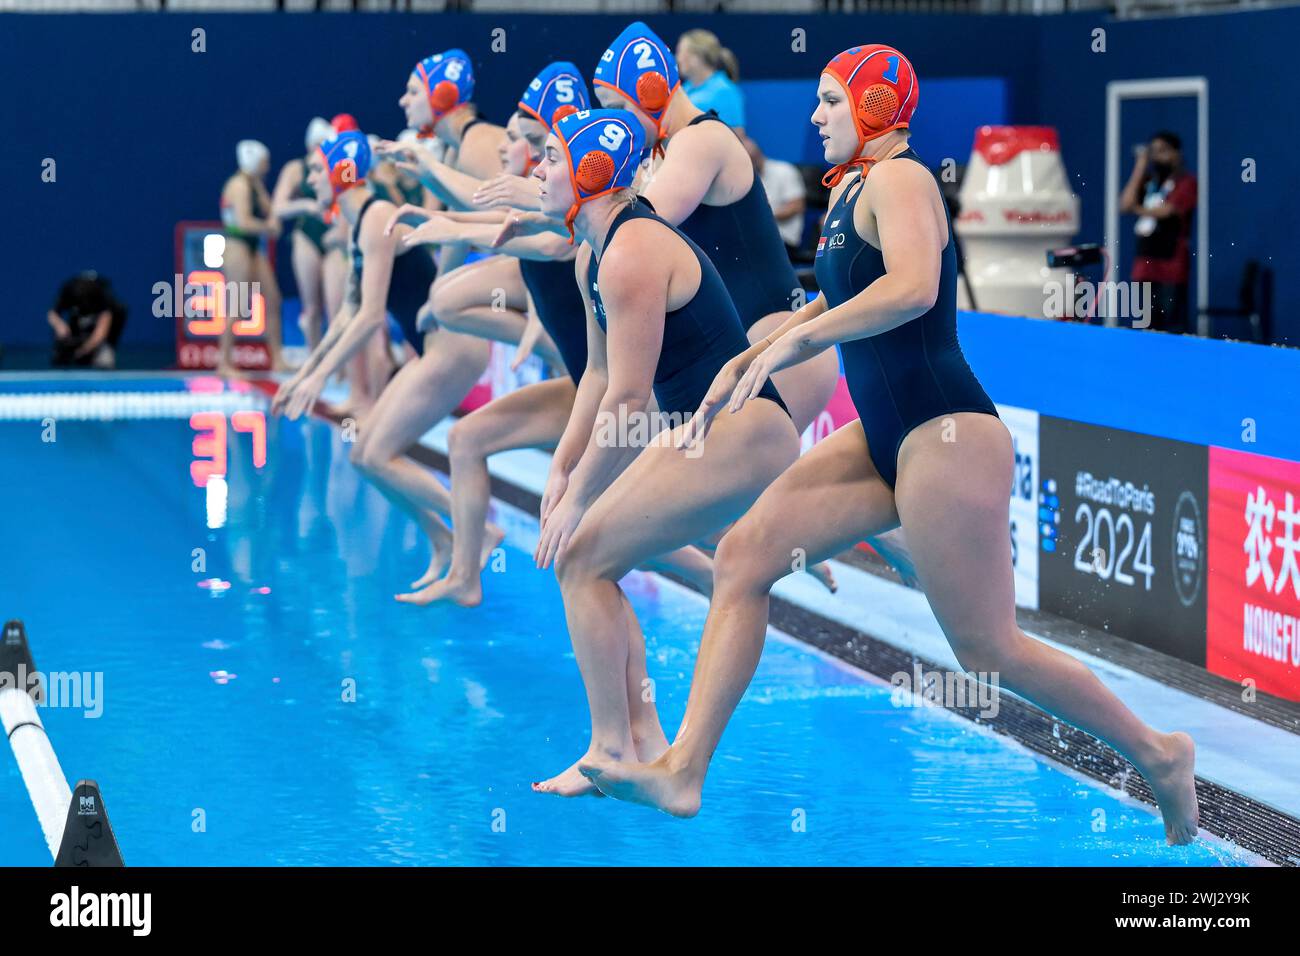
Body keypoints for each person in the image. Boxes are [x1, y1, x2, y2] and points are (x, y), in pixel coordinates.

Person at [579, 46, 1200, 850]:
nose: (815, 117)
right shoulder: (853, 193)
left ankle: (1160, 753)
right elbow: (832, 299)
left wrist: (792, 348)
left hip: (946, 434)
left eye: (832, 101)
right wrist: (749, 355)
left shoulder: (904, 179)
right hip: (882, 437)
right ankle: (683, 768)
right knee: (743, 559)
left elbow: (912, 288)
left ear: (876, 106)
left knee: (986, 649)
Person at [525, 109, 803, 797]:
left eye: (550, 159)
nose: (536, 168)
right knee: (589, 554)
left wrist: (581, 495)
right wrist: (564, 469)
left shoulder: (630, 252)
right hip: (702, 429)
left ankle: (613, 745)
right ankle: (633, 738)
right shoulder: (597, 251)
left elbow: (627, 397)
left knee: (583, 554)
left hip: (741, 429)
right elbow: (598, 381)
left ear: (591, 174)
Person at [271, 130, 502, 590]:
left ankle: (480, 530)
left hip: (455, 346)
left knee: (377, 455)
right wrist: (305, 374)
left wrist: (317, 380)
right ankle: (442, 538)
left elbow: (371, 316)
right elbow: (346, 315)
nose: (310, 179)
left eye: (317, 170)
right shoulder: (360, 222)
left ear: (342, 173)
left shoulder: (377, 215)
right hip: (437, 347)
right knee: (363, 456)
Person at [218, 139, 286, 373]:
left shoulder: (253, 184)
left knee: (273, 299)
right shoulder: (238, 185)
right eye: (265, 162)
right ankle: (224, 362)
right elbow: (244, 222)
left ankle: (277, 359)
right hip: (236, 246)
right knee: (237, 306)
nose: (268, 167)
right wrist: (269, 228)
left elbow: (271, 210)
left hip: (252, 248)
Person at [1120, 130, 1197, 334]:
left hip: (1171, 269)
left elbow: (1166, 211)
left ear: (1176, 154)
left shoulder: (1186, 183)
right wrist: (1140, 166)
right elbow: (1125, 203)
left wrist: (1137, 209)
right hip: (1144, 267)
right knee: (1143, 328)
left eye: (1163, 151)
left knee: (1172, 330)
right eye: (1153, 151)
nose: (1157, 156)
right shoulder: (1148, 182)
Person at [270, 118, 334, 352]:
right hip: (307, 235)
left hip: (334, 236)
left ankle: (340, 366)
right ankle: (313, 357)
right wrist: (307, 205)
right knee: (312, 307)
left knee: (335, 306)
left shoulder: (338, 166)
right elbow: (278, 207)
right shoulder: (295, 169)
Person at [741, 134, 806, 255]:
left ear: (758, 155)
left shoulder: (784, 170)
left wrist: (761, 217)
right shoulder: (744, 178)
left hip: (783, 239)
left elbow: (796, 206)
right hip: (756, 237)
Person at [48, 272, 125, 369]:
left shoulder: (103, 296)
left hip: (99, 340)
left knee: (105, 362)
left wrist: (82, 352)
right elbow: (53, 314)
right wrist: (60, 326)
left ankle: (105, 350)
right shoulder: (70, 291)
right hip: (79, 334)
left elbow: (101, 332)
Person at [674, 29, 745, 132]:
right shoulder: (684, 88)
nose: (677, 59)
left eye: (680, 52)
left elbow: (737, 135)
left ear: (695, 58)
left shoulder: (724, 91)